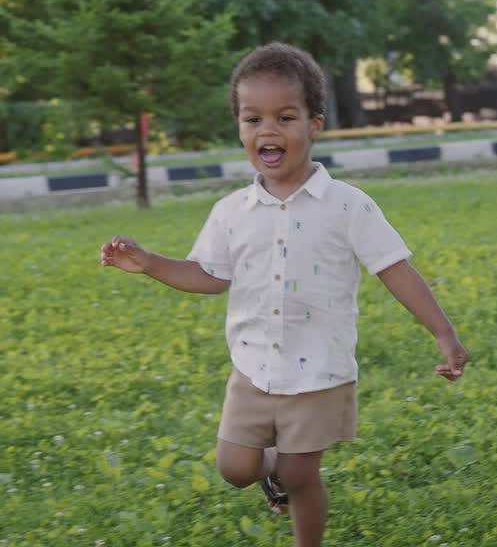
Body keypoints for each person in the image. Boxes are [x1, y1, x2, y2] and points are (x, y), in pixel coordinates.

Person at [99, 42, 468, 547]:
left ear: (314, 125)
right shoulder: (232, 211)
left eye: (285, 117)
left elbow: (394, 269)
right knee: (234, 468)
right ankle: (269, 468)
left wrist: (444, 333)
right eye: (253, 119)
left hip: (319, 372)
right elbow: (210, 274)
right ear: (240, 128)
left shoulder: (347, 206)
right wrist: (150, 265)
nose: (268, 130)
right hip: (253, 367)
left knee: (301, 475)